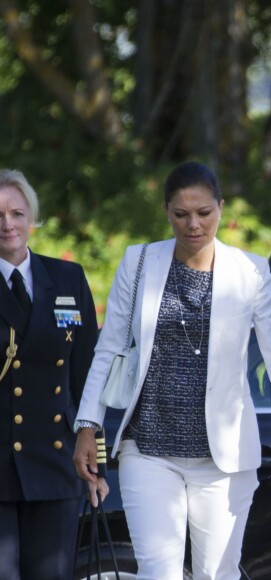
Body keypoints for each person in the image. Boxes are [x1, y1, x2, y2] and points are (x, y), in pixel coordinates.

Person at [73, 160, 271, 579]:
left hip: (223, 460)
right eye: (181, 214)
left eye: (204, 213)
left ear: (221, 207)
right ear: (166, 211)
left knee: (216, 574)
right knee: (157, 572)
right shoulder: (139, 261)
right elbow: (108, 347)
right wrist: (87, 425)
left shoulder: (251, 271)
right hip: (148, 451)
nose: (193, 225)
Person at [0, 169, 107, 580]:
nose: (7, 224)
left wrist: (97, 465)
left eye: (17, 213)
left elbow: (88, 375)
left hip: (56, 463)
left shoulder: (67, 278)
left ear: (32, 220)